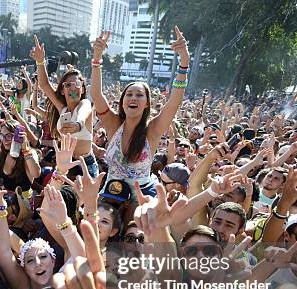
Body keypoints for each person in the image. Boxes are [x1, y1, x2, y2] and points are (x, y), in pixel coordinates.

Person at [90, 28, 190, 200]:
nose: (133, 98)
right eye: (129, 94)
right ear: (122, 101)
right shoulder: (114, 124)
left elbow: (174, 102)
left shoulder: (153, 130)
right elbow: (97, 95)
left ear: (147, 104)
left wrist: (184, 63)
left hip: (142, 194)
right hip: (111, 190)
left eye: (139, 95)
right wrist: (97, 58)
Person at [31, 36, 97, 177]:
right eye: (68, 85)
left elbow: (82, 113)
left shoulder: (85, 104)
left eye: (77, 84)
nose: (73, 88)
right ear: (62, 90)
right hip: (65, 163)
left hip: (85, 165)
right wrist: (40, 61)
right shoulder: (62, 109)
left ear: (83, 89)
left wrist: (77, 125)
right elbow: (44, 85)